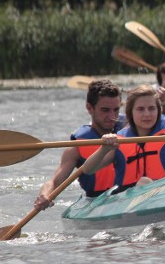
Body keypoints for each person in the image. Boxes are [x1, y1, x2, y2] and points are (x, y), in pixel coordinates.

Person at [82, 85, 165, 191]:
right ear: (131, 112)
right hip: (128, 201)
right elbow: (88, 169)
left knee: (145, 182)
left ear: (158, 111)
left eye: (152, 108)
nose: (147, 114)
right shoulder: (120, 141)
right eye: (140, 109)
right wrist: (104, 149)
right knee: (144, 182)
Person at [34, 80, 125, 210]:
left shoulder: (130, 129)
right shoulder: (77, 147)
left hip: (128, 195)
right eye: (105, 110)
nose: (112, 116)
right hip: (96, 202)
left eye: (116, 110)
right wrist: (44, 195)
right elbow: (54, 182)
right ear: (89, 108)